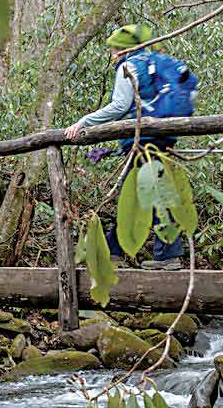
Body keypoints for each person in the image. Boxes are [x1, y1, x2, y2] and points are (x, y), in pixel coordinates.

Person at [64, 24, 186, 271]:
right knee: (146, 196)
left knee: (136, 198)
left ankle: (126, 253)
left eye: (113, 50)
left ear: (123, 50)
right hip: (160, 137)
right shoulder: (154, 64)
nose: (112, 55)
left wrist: (83, 122)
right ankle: (122, 252)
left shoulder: (129, 67)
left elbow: (120, 105)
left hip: (141, 141)